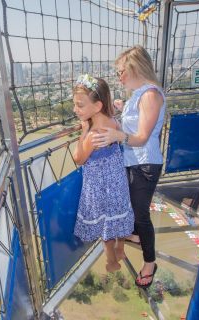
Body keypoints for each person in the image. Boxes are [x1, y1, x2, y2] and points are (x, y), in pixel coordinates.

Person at [92, 46, 166, 288]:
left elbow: (142, 136)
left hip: (144, 163)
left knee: (141, 215)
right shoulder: (140, 95)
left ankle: (150, 263)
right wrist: (125, 107)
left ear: (135, 68)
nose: (120, 77)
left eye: (122, 71)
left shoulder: (150, 95)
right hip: (133, 161)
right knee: (131, 207)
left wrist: (117, 135)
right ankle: (135, 235)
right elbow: (140, 120)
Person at [72, 74, 134, 273]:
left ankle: (111, 260)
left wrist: (82, 132)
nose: (75, 110)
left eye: (80, 105)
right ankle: (121, 249)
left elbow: (78, 158)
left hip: (100, 189)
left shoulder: (93, 135)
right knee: (119, 217)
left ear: (97, 106)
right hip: (117, 184)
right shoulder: (113, 122)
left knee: (106, 226)